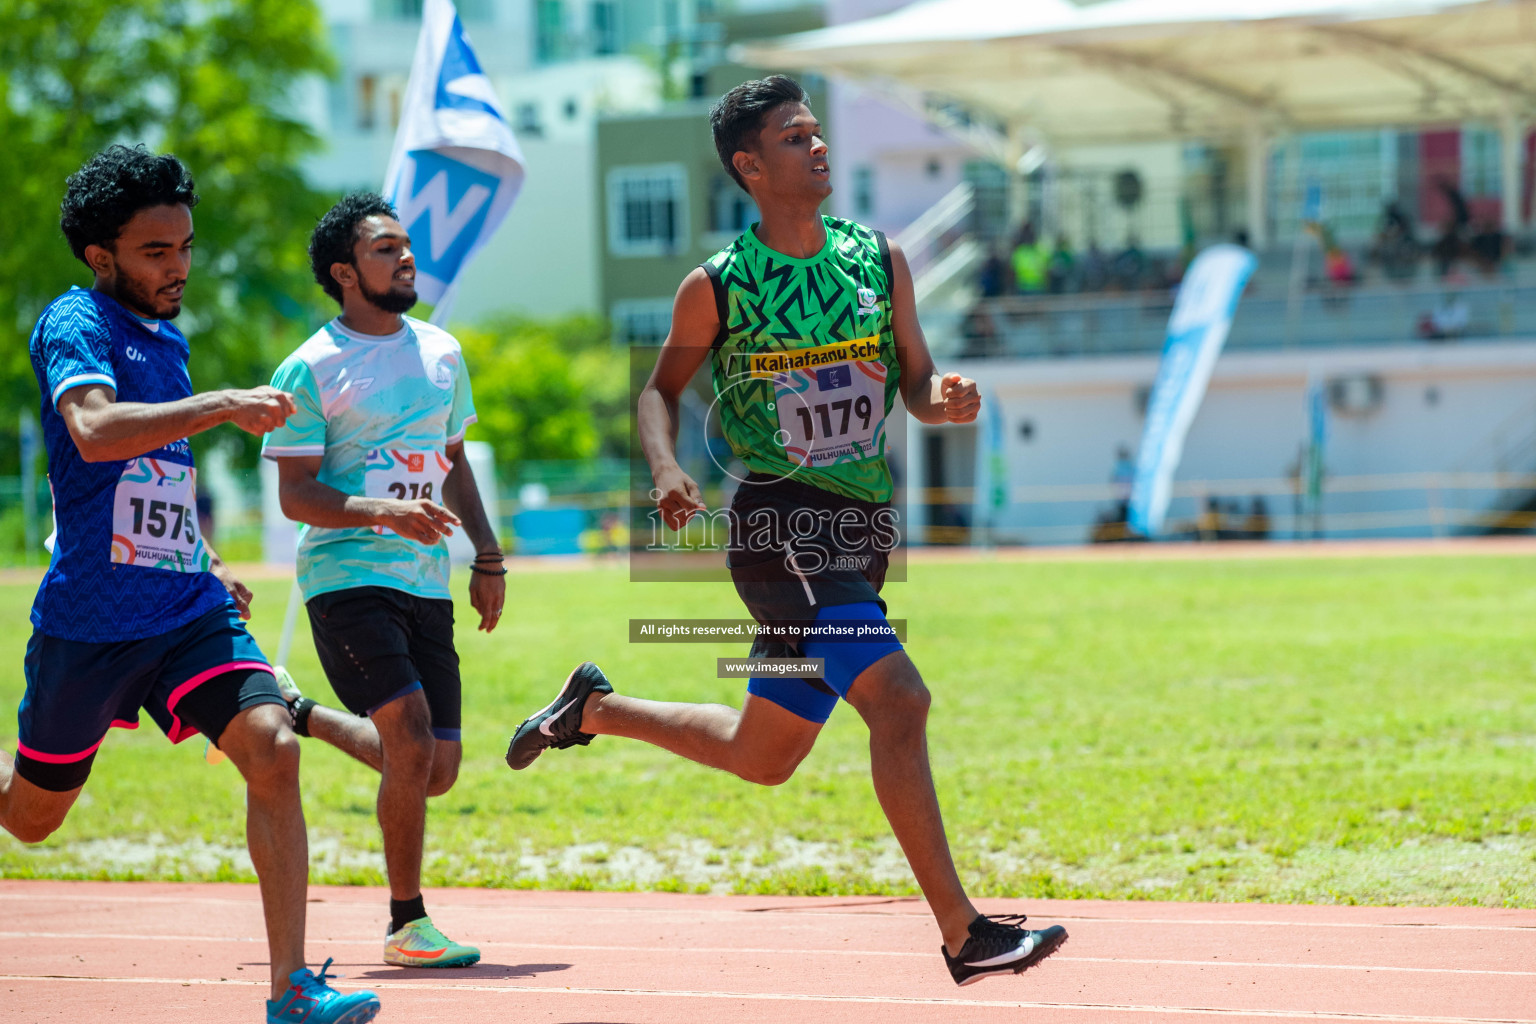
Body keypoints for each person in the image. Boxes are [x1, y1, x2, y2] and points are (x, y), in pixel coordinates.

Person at [503, 76, 1067, 987]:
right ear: (749, 165)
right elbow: (658, 392)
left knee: (762, 757)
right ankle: (965, 933)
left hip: (861, 530)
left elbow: (916, 381)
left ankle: (591, 709)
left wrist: (943, 399)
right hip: (780, 526)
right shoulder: (719, 286)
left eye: (817, 131)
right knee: (900, 699)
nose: (818, 146)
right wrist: (667, 467)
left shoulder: (879, 259)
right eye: (794, 136)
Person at [0, 145, 379, 1024]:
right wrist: (221, 403)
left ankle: (291, 990)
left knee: (272, 746)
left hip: (182, 611)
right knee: (30, 820)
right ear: (102, 259)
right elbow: (95, 433)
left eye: (185, 248)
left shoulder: (165, 339)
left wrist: (200, 560)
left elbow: (155, 477)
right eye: (155, 252)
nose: (178, 269)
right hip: (91, 622)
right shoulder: (74, 325)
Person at [261, 192, 503, 970]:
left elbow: (454, 460)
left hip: (427, 580)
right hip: (345, 574)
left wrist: (489, 556)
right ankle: (408, 924)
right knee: (408, 735)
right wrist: (380, 513)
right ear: (343, 271)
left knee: (437, 769)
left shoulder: (442, 351)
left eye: (406, 246)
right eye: (385, 248)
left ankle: (302, 713)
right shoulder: (309, 366)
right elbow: (295, 493)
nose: (406, 258)